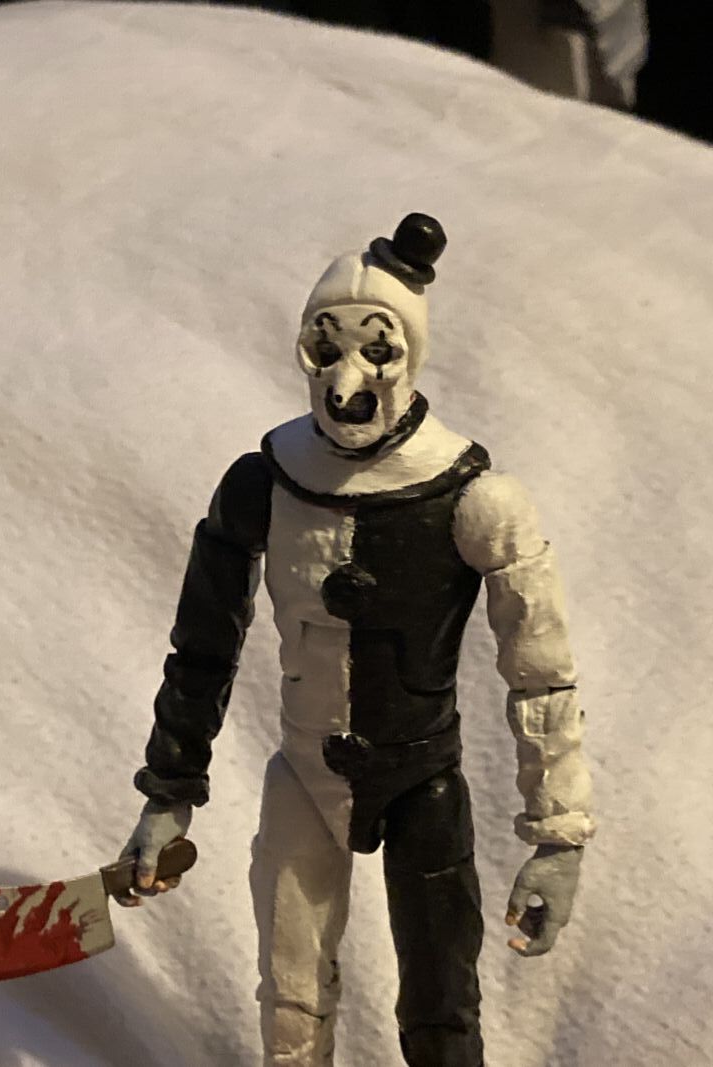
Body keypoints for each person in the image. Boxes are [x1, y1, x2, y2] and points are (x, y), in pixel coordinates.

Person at [116, 214, 595, 1067]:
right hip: (302, 773)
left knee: (443, 1004)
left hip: (422, 780)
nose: (346, 382)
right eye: (325, 347)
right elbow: (203, 647)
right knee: (291, 997)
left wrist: (557, 835)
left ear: (411, 357)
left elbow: (541, 673)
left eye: (378, 352)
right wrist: (168, 792)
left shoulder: (475, 499)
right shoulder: (264, 483)